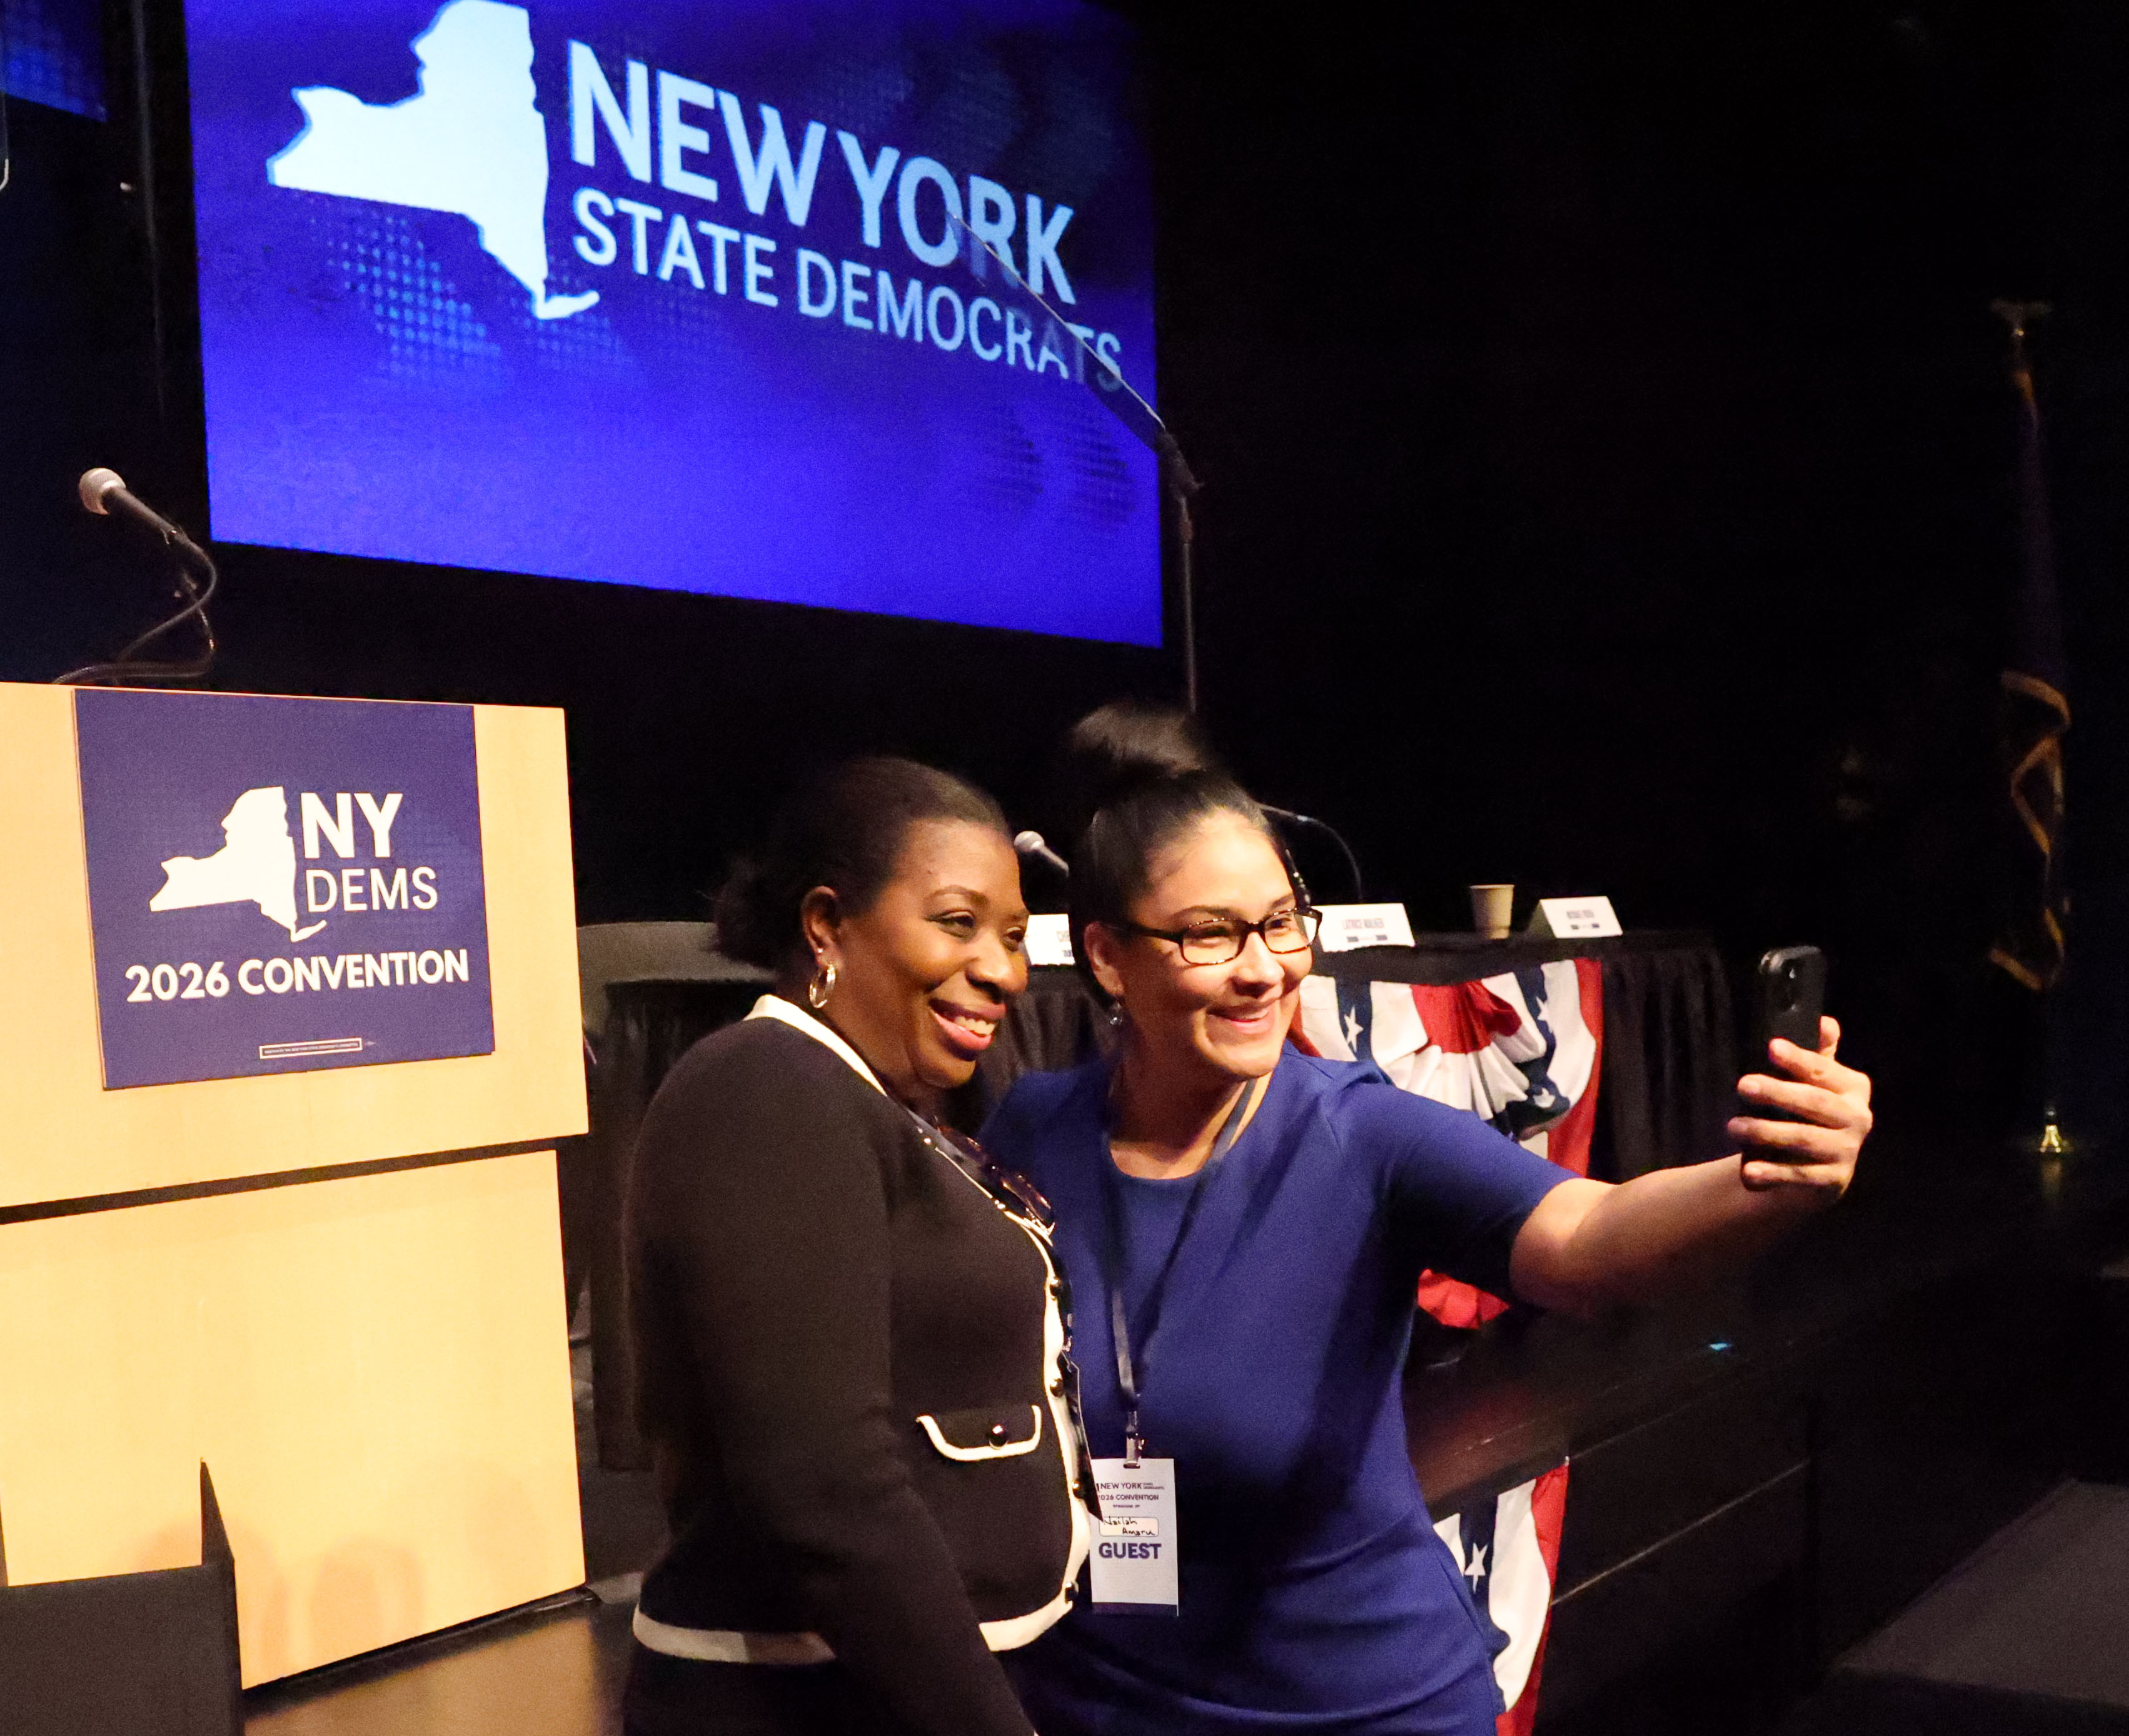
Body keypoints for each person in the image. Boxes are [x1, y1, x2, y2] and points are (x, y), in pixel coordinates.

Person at [981, 704, 1875, 1736]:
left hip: (1364, 1710)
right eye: (1209, 933)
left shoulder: (1359, 1134)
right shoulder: (1029, 1133)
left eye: (1281, 920)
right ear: (1104, 955)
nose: (1266, 966)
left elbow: (1589, 1239)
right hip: (1103, 1710)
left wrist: (1764, 1179)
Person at [623, 758, 1096, 1736]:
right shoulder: (766, 1089)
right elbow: (825, 1491)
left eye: (1012, 936)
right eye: (958, 922)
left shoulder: (870, 1100)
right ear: (826, 924)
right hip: (808, 1704)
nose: (1005, 970)